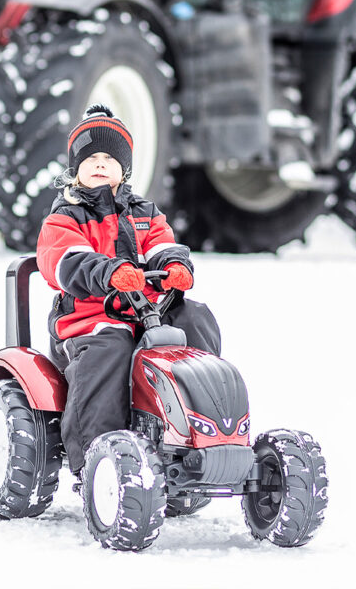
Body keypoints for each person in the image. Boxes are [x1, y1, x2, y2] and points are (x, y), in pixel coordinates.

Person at [36, 104, 221, 475]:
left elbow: (161, 245)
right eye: (91, 158)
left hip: (148, 311)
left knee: (195, 318)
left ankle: (204, 428)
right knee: (112, 345)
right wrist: (110, 272)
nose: (100, 163)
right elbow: (65, 260)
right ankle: (96, 453)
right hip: (90, 317)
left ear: (125, 168)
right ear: (75, 169)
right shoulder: (66, 216)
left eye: (109, 157)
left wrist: (174, 266)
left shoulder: (144, 213)